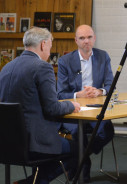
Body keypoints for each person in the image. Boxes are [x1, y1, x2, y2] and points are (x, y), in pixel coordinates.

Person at [0, 27, 81, 184]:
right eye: (50, 46)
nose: (50, 52)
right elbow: (53, 108)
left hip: (7, 142)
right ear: (43, 44)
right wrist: (72, 105)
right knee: (79, 149)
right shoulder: (42, 67)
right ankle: (31, 182)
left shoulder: (6, 67)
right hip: (34, 142)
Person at [57, 24, 115, 182]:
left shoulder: (103, 56)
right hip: (73, 110)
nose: (86, 41)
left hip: (95, 109)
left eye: (89, 37)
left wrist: (99, 91)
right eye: (82, 38)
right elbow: (60, 93)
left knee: (107, 131)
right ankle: (83, 168)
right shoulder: (65, 61)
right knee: (77, 133)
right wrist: (78, 94)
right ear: (76, 40)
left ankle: (77, 160)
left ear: (94, 38)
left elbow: (110, 85)